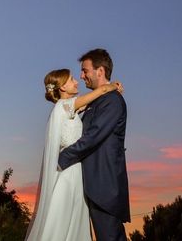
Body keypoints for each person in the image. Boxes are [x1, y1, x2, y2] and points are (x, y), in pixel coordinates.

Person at [25, 67, 124, 241]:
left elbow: (90, 103)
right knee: (63, 221)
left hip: (74, 172)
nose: (77, 81)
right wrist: (113, 87)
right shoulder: (67, 105)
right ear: (62, 87)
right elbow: (101, 91)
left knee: (69, 220)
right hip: (69, 174)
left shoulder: (67, 108)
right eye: (71, 79)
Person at [58, 48, 130, 241]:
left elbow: (93, 136)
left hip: (105, 186)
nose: (82, 76)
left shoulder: (112, 101)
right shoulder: (98, 99)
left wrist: (62, 158)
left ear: (100, 71)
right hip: (92, 185)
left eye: (85, 70)